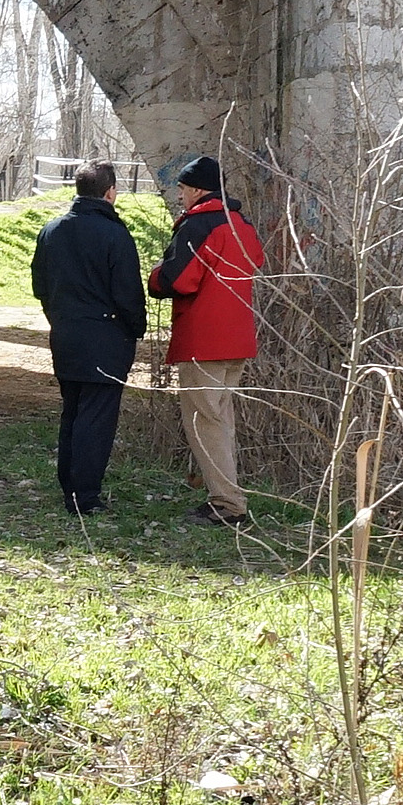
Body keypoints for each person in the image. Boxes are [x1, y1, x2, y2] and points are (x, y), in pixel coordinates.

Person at [149, 153, 266, 527]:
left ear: (198, 191)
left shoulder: (198, 225)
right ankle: (228, 497)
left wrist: (155, 275)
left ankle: (227, 503)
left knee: (206, 424)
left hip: (204, 340)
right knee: (221, 421)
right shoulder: (241, 224)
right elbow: (257, 260)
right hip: (238, 338)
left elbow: (177, 280)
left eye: (183, 188)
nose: (180, 195)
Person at [28, 161, 147, 517]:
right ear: (110, 192)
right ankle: (86, 496)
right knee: (97, 418)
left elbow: (40, 286)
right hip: (107, 338)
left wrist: (59, 318)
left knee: (73, 411)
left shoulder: (51, 231)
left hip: (66, 334)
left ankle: (70, 486)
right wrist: (136, 328)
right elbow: (128, 294)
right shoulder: (115, 235)